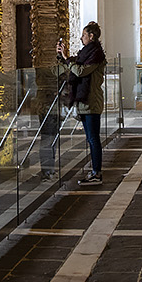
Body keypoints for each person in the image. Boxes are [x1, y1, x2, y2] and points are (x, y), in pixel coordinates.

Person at [57, 21, 106, 185]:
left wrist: (67, 59)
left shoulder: (96, 54)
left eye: (84, 35)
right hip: (86, 103)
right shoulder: (87, 53)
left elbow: (80, 70)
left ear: (91, 36)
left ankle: (96, 173)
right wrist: (64, 58)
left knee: (93, 139)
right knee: (91, 138)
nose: (81, 37)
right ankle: (94, 172)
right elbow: (77, 65)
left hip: (91, 102)